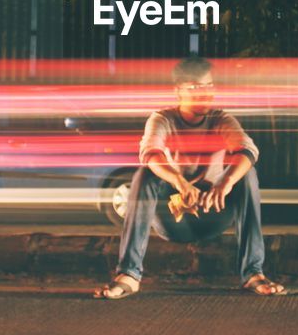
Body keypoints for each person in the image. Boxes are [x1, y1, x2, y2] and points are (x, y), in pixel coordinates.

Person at [95, 56, 286, 299]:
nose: (204, 94)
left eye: (208, 86)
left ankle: (253, 274)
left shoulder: (220, 119)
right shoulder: (163, 119)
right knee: (144, 174)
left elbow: (248, 150)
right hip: (175, 218)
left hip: (213, 212)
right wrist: (179, 181)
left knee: (247, 172)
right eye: (195, 88)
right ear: (178, 92)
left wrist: (225, 183)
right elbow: (150, 153)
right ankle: (129, 275)